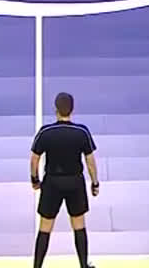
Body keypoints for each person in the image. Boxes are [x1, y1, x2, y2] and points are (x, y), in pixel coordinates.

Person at [30, 92, 99, 268]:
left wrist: (35, 180)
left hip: (52, 183)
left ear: (56, 110)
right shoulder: (81, 132)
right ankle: (84, 265)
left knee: (45, 227)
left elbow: (35, 159)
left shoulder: (46, 132)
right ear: (72, 110)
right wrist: (95, 183)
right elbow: (90, 161)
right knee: (79, 225)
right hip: (75, 183)